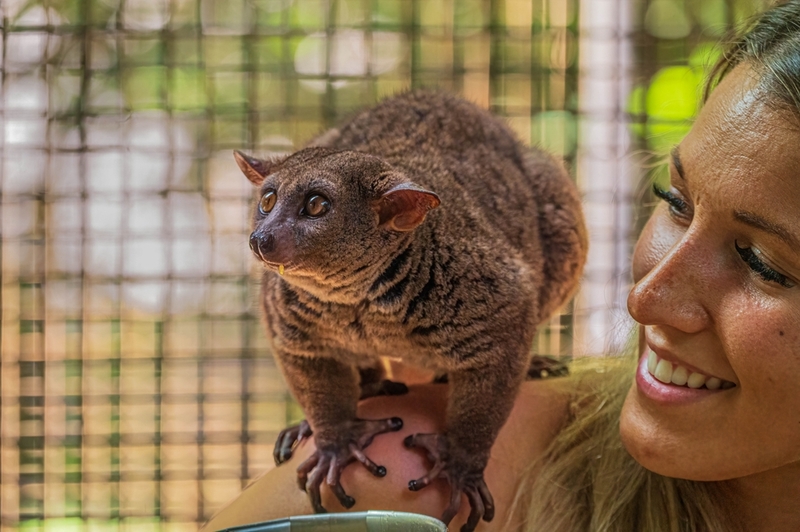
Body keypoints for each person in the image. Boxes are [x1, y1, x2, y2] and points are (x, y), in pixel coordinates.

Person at [202, 2, 800, 530]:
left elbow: (501, 315)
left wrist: (465, 445)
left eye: (764, 262)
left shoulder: (464, 273)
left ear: (400, 215)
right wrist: (333, 427)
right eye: (674, 201)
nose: (643, 298)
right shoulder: (393, 485)